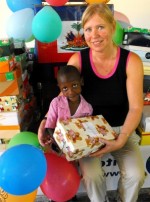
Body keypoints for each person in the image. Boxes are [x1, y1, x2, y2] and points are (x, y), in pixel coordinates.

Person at [38, 3, 145, 202]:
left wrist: (121, 138)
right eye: (88, 29)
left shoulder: (131, 61)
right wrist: (46, 122)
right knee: (92, 175)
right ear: (83, 32)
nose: (94, 35)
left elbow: (136, 107)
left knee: (136, 174)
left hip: (123, 129)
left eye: (100, 27)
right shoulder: (77, 60)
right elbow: (63, 100)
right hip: (87, 133)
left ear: (112, 27)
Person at [39, 64, 93, 148]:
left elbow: (86, 131)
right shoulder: (56, 103)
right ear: (60, 88)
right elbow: (50, 127)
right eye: (65, 88)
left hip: (79, 147)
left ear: (81, 81)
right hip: (58, 146)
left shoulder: (87, 109)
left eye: (74, 85)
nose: (71, 92)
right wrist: (61, 145)